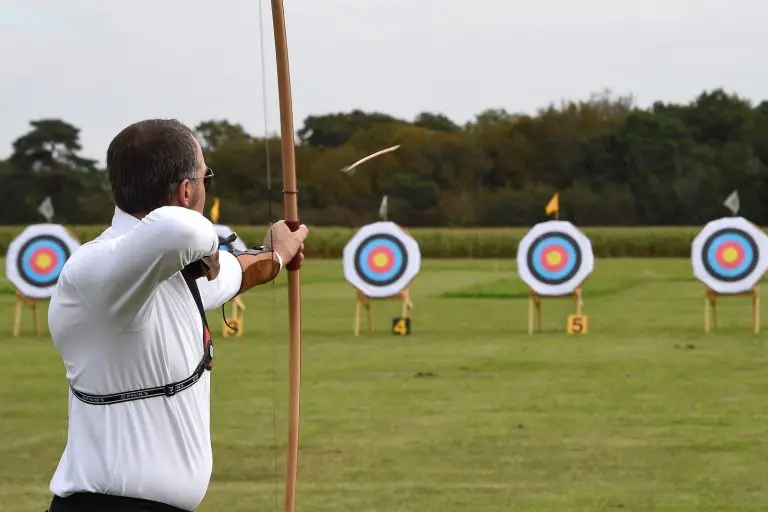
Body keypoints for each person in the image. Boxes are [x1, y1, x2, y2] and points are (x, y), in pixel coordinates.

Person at [45, 119, 308, 512]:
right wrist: (209, 244)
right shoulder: (95, 271)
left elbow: (233, 273)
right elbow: (180, 232)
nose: (205, 186)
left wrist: (276, 254)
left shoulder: (172, 271)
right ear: (187, 191)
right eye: (205, 178)